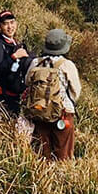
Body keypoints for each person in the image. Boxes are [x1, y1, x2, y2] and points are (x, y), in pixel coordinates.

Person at [21, 29, 81, 162]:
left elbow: (27, 82)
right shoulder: (67, 65)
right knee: (63, 154)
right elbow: (76, 91)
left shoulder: (36, 62)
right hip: (63, 113)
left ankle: (44, 177)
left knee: (43, 152)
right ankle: (62, 179)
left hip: (39, 111)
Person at [0, 9, 32, 118]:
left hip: (16, 94)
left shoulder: (15, 43)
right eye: (5, 24)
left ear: (16, 23)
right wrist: (14, 57)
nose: (10, 27)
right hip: (3, 96)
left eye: (12, 22)